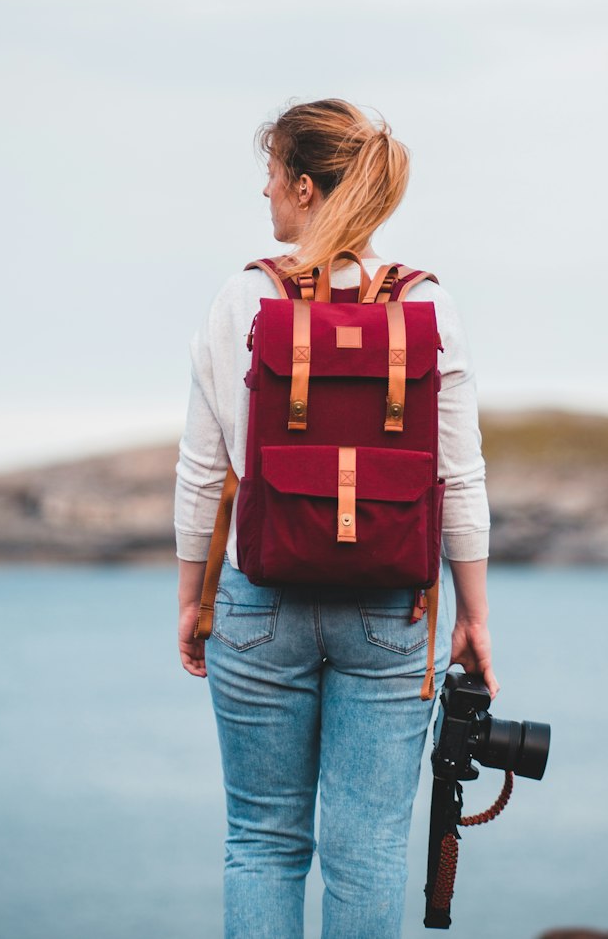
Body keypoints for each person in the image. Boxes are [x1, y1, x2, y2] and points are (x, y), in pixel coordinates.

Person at [174, 98, 495, 939]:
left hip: (260, 600)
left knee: (263, 843)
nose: (267, 197)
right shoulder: (429, 305)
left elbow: (204, 473)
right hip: (391, 610)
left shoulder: (241, 298)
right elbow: (458, 478)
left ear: (307, 187)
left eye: (273, 176)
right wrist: (476, 616)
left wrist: (194, 601)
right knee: (369, 851)